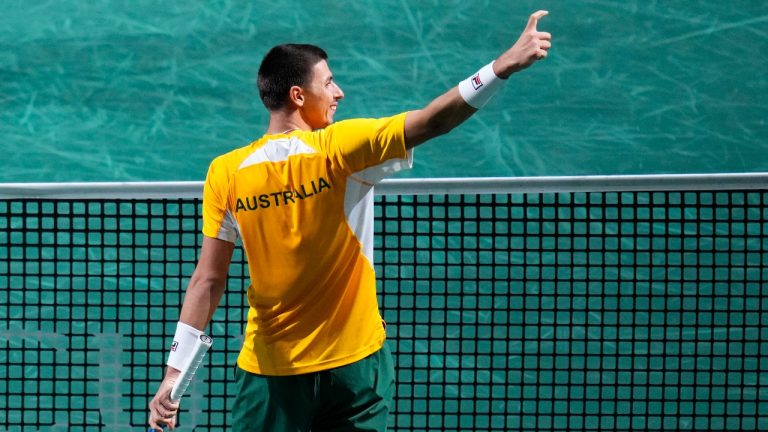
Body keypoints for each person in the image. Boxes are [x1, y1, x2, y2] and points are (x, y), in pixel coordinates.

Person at [148, 10, 551, 432]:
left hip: (271, 373)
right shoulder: (341, 149)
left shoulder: (226, 172)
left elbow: (207, 280)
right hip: (356, 371)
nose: (338, 92)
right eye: (329, 82)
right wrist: (500, 67)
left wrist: (174, 374)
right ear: (299, 96)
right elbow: (434, 119)